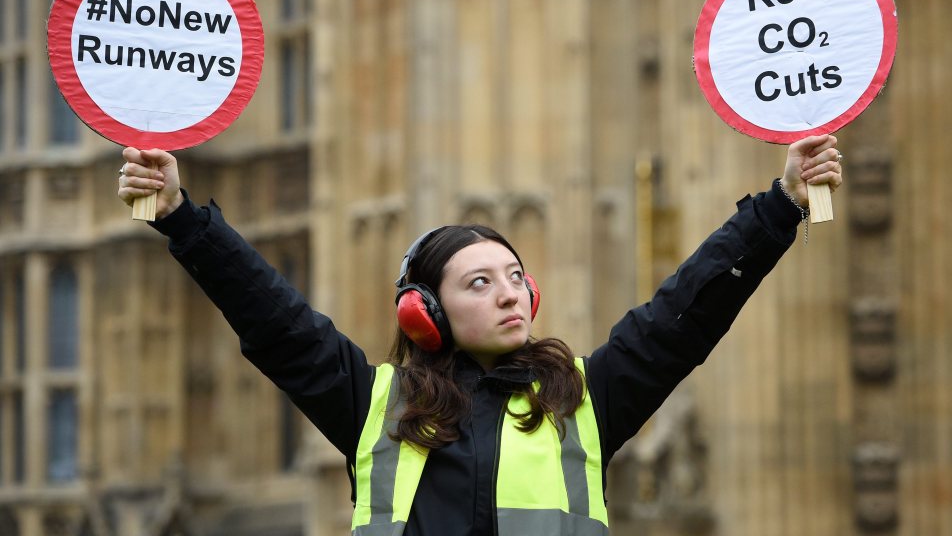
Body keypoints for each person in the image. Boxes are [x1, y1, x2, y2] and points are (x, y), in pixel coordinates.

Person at [117, 134, 842, 536]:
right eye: (478, 282)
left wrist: (782, 205)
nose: (508, 293)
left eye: (515, 275)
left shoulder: (586, 402)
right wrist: (180, 214)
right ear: (422, 314)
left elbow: (688, 313)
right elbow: (272, 319)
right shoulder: (377, 408)